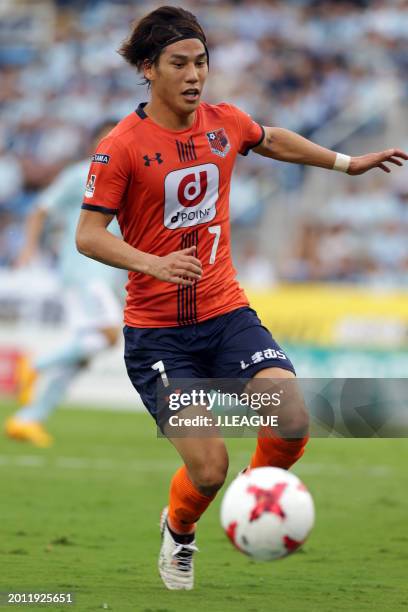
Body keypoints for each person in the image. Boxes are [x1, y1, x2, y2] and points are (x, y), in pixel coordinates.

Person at [75, 6, 407, 590]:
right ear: (149, 69)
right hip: (157, 335)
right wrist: (153, 262)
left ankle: (255, 498)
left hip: (226, 314)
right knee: (207, 470)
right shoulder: (120, 146)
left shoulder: (224, 121)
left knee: (292, 419)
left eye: (201, 61)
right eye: (179, 63)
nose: (194, 74)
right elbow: (88, 235)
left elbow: (269, 138)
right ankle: (179, 529)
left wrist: (346, 163)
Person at [5, 121, 123, 448]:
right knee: (109, 334)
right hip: (84, 271)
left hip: (105, 274)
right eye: (109, 136)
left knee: (83, 354)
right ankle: (35, 366)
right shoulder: (83, 173)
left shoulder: (127, 177)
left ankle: (28, 419)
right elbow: (40, 209)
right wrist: (29, 248)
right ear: (97, 141)